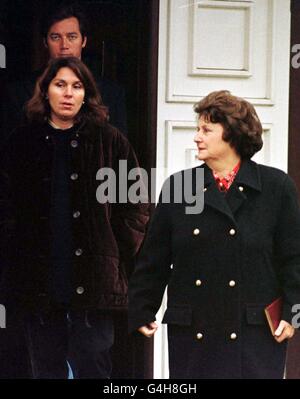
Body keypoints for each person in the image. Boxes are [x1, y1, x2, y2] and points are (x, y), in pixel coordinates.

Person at [128, 90, 300, 379]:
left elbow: (294, 258)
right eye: (197, 129)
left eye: (206, 130)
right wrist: (142, 308)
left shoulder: (276, 187)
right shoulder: (180, 187)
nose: (197, 136)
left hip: (253, 336)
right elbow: (153, 259)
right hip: (195, 334)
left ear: (232, 134)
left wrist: (293, 313)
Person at [0, 56, 149, 378]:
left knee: (94, 364)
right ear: (46, 92)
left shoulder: (110, 141)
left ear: (87, 94)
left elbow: (136, 208)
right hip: (39, 280)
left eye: (77, 86)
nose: (68, 93)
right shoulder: (20, 143)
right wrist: (14, 252)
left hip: (95, 281)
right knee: (45, 368)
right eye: (60, 84)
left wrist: (125, 264)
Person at [1, 3, 127, 149]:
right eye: (55, 37)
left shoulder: (112, 93)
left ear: (84, 41)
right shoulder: (18, 92)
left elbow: (119, 153)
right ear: (45, 42)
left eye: (72, 37)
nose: (64, 45)